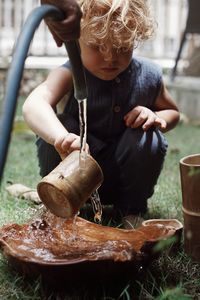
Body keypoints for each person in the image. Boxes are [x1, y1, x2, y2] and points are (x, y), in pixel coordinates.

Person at [23, 0, 180, 229]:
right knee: (59, 124)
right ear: (77, 41)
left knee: (149, 136)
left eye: (121, 47)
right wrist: (60, 137)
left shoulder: (149, 75)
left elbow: (173, 111)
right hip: (73, 177)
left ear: (134, 39)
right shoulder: (70, 73)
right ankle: (58, 205)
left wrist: (157, 117)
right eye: (97, 46)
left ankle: (131, 211)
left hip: (123, 177)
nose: (110, 58)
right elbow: (33, 104)